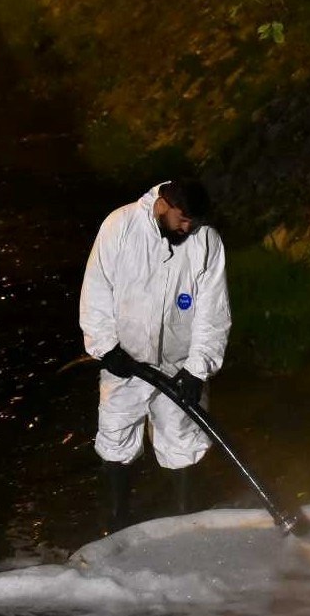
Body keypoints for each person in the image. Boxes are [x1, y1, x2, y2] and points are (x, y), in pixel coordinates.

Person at [79, 180, 231, 532]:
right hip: (125, 362)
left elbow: (214, 311)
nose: (188, 227)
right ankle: (118, 524)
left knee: (184, 439)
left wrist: (197, 369)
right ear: (164, 203)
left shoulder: (206, 241)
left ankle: (186, 521)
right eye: (183, 219)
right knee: (116, 436)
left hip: (179, 366)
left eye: (194, 221)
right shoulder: (120, 226)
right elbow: (96, 289)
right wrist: (105, 347)